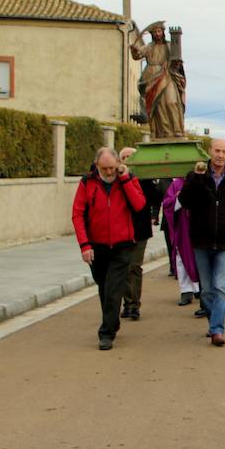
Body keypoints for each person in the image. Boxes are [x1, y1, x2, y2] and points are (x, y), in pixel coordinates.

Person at [178, 139, 225, 346]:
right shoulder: (195, 176)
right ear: (209, 152)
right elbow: (184, 202)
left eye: (224, 151)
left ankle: (217, 329)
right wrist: (196, 180)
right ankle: (214, 322)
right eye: (217, 151)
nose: (220, 155)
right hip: (201, 241)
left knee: (220, 287)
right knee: (207, 290)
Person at [72, 147, 146, 350]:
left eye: (112, 168)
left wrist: (125, 179)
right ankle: (112, 321)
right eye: (104, 168)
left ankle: (106, 333)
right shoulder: (87, 182)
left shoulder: (128, 179)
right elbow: (77, 214)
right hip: (97, 246)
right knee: (104, 287)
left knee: (114, 289)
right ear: (97, 166)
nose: (108, 172)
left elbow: (139, 205)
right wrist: (84, 245)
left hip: (123, 246)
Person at [129, 22, 186, 138]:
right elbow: (137, 56)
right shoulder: (149, 47)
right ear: (152, 34)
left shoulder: (169, 45)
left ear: (163, 32)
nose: (157, 34)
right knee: (158, 107)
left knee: (171, 102)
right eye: (154, 32)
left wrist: (174, 63)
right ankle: (164, 132)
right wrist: (134, 50)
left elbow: (177, 60)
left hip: (166, 75)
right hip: (151, 78)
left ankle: (177, 130)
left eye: (159, 31)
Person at [118, 147, 154, 320]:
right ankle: (128, 303)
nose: (126, 160)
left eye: (129, 157)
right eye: (123, 157)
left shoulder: (145, 178)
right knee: (124, 268)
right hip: (123, 230)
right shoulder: (117, 180)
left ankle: (135, 304)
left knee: (134, 266)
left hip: (140, 230)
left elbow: (153, 198)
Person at [163, 177, 201, 306]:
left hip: (200, 225)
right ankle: (186, 291)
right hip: (183, 226)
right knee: (182, 258)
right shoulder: (176, 184)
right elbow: (167, 203)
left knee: (201, 258)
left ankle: (199, 288)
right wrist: (178, 198)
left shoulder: (203, 180)